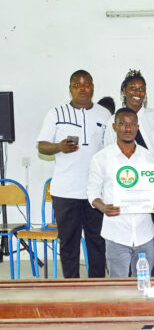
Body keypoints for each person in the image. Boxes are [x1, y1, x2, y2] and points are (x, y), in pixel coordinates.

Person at [37, 70, 110, 278]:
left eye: (86, 84)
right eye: (77, 85)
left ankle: (97, 285)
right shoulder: (56, 113)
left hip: (96, 192)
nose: (82, 88)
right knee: (69, 242)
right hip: (65, 191)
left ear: (93, 87)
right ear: (70, 88)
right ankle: (72, 286)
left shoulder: (104, 114)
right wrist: (59, 147)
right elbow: (42, 146)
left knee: (97, 241)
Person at [105, 69, 154, 274]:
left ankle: (148, 281)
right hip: (122, 188)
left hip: (149, 189)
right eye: (133, 88)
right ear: (124, 90)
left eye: (142, 89)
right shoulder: (112, 121)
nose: (137, 92)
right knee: (122, 240)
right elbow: (107, 156)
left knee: (150, 238)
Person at [87, 107, 154, 277]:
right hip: (116, 233)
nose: (128, 128)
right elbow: (92, 191)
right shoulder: (101, 158)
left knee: (143, 284)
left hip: (144, 233)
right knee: (117, 286)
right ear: (114, 127)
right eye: (123, 124)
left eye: (132, 124)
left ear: (137, 127)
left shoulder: (149, 157)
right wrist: (103, 207)